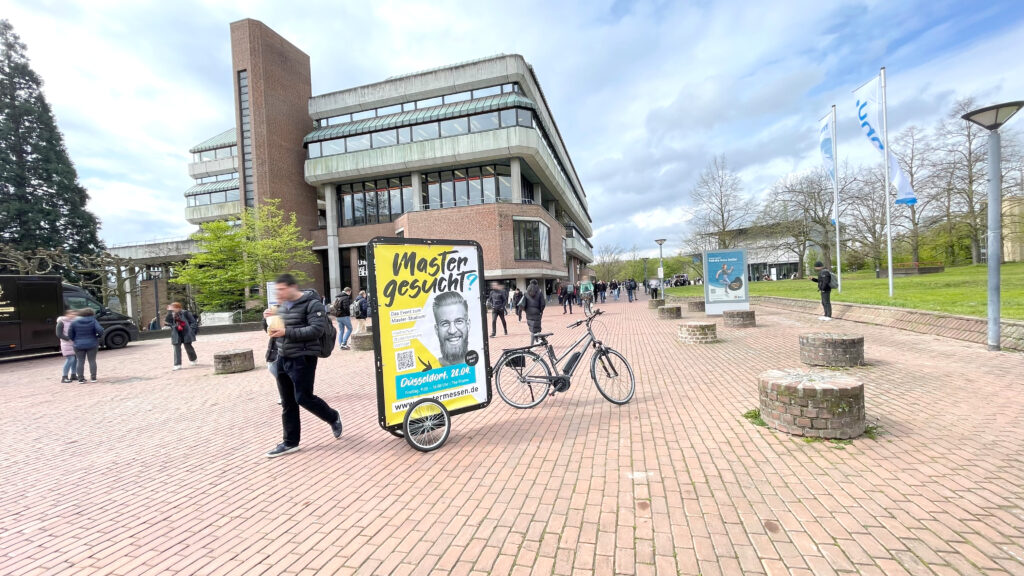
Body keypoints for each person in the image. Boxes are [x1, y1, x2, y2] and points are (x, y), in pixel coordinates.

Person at [264, 273, 342, 458]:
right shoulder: (281, 306)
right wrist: (266, 319)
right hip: (283, 357)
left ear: (293, 287)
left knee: (303, 397)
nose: (279, 294)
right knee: (288, 401)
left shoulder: (312, 304)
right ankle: (290, 442)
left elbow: (316, 330)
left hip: (303, 358)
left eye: (282, 290)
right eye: (277, 291)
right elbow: (274, 330)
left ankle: (333, 417)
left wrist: (286, 331)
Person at [433, 291, 471, 366]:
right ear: (437, 330)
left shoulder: (480, 365)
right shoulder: (431, 370)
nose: (452, 331)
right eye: (445, 324)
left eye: (459, 321)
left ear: (468, 325)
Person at [67, 307, 104, 383]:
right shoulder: (93, 320)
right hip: (92, 343)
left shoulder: (74, 322)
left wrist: (75, 339)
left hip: (78, 344)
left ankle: (80, 379)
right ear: (91, 313)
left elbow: (70, 334)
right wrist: (97, 336)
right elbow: (100, 330)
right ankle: (93, 378)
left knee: (80, 361)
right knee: (92, 360)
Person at [165, 302, 199, 370]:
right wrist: (169, 312)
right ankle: (177, 364)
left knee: (188, 347)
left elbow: (193, 322)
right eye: (172, 308)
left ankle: (193, 359)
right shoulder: (171, 314)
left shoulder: (185, 313)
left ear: (178, 308)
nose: (173, 309)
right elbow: (167, 322)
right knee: (176, 348)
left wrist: (191, 330)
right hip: (176, 333)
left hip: (186, 332)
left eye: (174, 308)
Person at [56, 310, 77, 383]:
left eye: (74, 314)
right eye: (72, 313)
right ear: (67, 314)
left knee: (75, 359)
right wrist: (68, 339)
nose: (73, 315)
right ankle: (64, 376)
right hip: (66, 343)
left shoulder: (74, 321)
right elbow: (59, 334)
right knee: (70, 359)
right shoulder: (61, 322)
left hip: (75, 343)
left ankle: (73, 375)